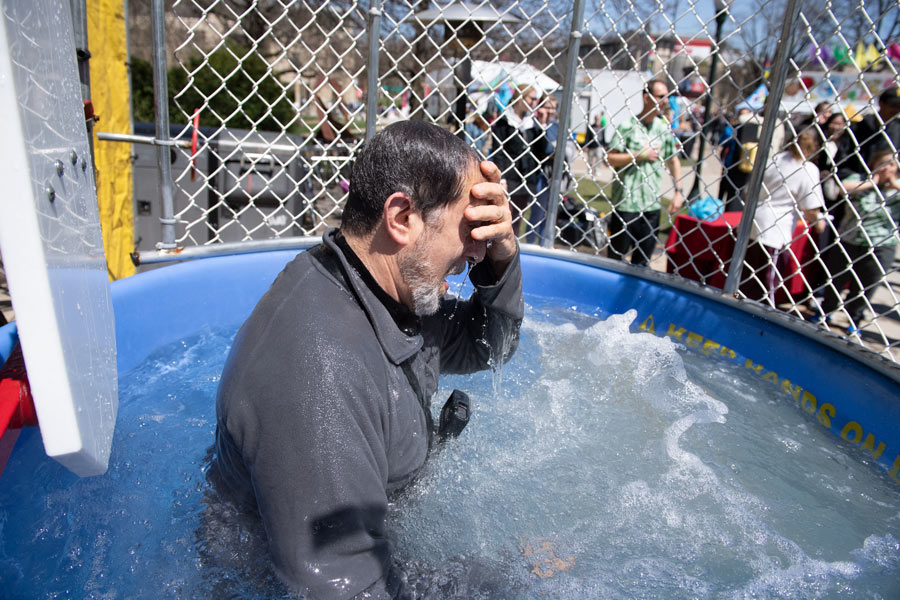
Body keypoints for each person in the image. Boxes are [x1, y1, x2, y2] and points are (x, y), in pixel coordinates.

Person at [211, 120, 524, 599]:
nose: (475, 251)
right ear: (401, 217)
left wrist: (502, 260)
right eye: (468, 229)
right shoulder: (319, 376)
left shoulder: (386, 290)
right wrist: (503, 576)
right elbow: (346, 589)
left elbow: (492, 346)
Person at [739, 128, 826, 307]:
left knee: (747, 278)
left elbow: (748, 191)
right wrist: (819, 221)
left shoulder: (773, 160)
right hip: (774, 230)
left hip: (753, 221)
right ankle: (762, 316)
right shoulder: (807, 168)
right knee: (768, 283)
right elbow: (810, 207)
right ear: (816, 146)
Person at [820, 147, 900, 335]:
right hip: (849, 239)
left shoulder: (897, 189)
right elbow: (841, 188)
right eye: (883, 163)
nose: (887, 168)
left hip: (881, 244)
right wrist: (872, 183)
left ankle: (855, 317)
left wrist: (893, 184)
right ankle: (827, 311)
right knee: (836, 278)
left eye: (892, 164)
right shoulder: (860, 180)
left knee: (867, 283)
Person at [605, 79, 684, 266]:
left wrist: (678, 192)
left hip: (651, 206)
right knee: (615, 260)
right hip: (626, 205)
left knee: (642, 263)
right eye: (660, 96)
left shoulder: (663, 128)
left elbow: (673, 160)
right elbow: (609, 158)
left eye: (667, 96)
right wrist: (638, 155)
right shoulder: (627, 126)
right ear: (646, 97)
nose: (665, 101)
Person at [490, 86, 548, 236]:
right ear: (520, 98)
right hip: (510, 176)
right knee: (504, 216)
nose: (534, 102)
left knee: (518, 218)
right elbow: (498, 151)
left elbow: (542, 149)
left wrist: (542, 124)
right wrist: (501, 178)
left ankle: (513, 249)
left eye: (535, 99)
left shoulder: (532, 123)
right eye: (531, 98)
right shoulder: (505, 121)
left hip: (527, 176)